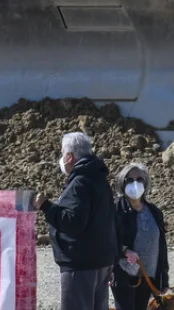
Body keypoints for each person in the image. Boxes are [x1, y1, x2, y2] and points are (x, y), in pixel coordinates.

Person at [33, 132, 117, 310]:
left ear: (70, 156)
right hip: (101, 262)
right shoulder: (100, 181)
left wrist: (46, 206)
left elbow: (73, 223)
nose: (61, 158)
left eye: (62, 153)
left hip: (81, 265)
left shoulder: (79, 183)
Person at [111, 162, 169, 310]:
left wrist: (163, 278)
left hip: (148, 275)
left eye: (139, 179)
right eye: (129, 180)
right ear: (122, 183)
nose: (135, 184)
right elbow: (107, 239)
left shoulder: (154, 212)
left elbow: (162, 246)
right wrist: (124, 251)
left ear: (146, 183)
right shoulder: (115, 209)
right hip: (124, 273)